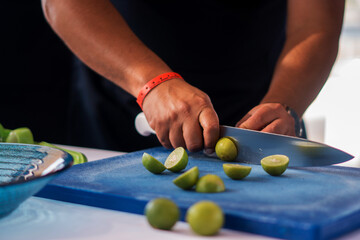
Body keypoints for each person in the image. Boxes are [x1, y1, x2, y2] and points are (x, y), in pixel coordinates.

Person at [41, 0, 344, 153]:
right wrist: (152, 82)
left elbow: (317, 24)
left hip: (262, 106)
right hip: (120, 106)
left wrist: (285, 103)